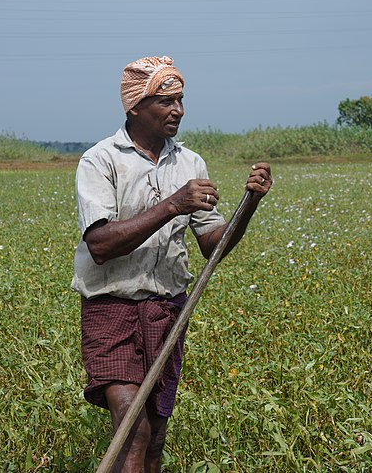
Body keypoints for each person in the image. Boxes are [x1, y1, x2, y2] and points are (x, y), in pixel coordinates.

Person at [72, 55, 271, 472]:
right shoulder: (101, 160)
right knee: (132, 426)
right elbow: (101, 244)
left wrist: (248, 204)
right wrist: (174, 203)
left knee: (156, 433)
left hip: (167, 310)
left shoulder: (189, 162)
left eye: (180, 101)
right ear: (135, 107)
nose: (177, 111)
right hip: (112, 308)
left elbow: (212, 245)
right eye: (166, 102)